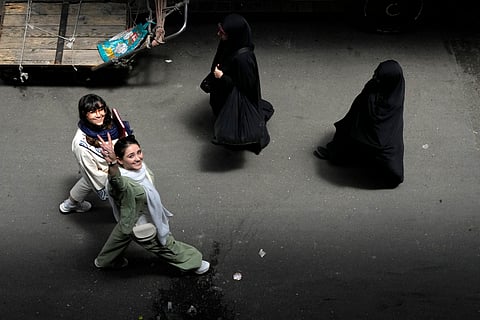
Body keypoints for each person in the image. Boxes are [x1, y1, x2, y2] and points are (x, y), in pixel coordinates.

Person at [93, 134, 210, 274]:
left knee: (122, 233)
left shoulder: (139, 170)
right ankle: (193, 262)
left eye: (139, 152)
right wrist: (111, 164)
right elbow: (116, 181)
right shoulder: (122, 182)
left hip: (129, 218)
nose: (138, 158)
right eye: (131, 156)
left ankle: (104, 261)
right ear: (120, 160)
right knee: (164, 244)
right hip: (140, 223)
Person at [314, 60, 405, 188]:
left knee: (392, 168)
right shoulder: (377, 85)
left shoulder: (392, 101)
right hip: (361, 122)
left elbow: (381, 126)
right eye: (375, 73)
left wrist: (370, 102)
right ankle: (335, 154)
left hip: (380, 135)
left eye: (378, 76)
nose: (374, 77)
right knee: (346, 131)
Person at [206, 13, 274, 154]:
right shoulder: (231, 43)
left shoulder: (243, 58)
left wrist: (222, 76)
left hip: (232, 93)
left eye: (223, 32)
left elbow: (245, 87)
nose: (219, 34)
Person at [59, 94, 133, 214]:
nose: (99, 115)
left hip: (114, 163)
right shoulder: (80, 143)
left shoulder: (109, 121)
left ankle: (70, 204)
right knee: (123, 193)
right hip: (102, 171)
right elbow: (92, 172)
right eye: (93, 112)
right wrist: (113, 183)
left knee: (87, 182)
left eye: (101, 109)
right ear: (84, 114)